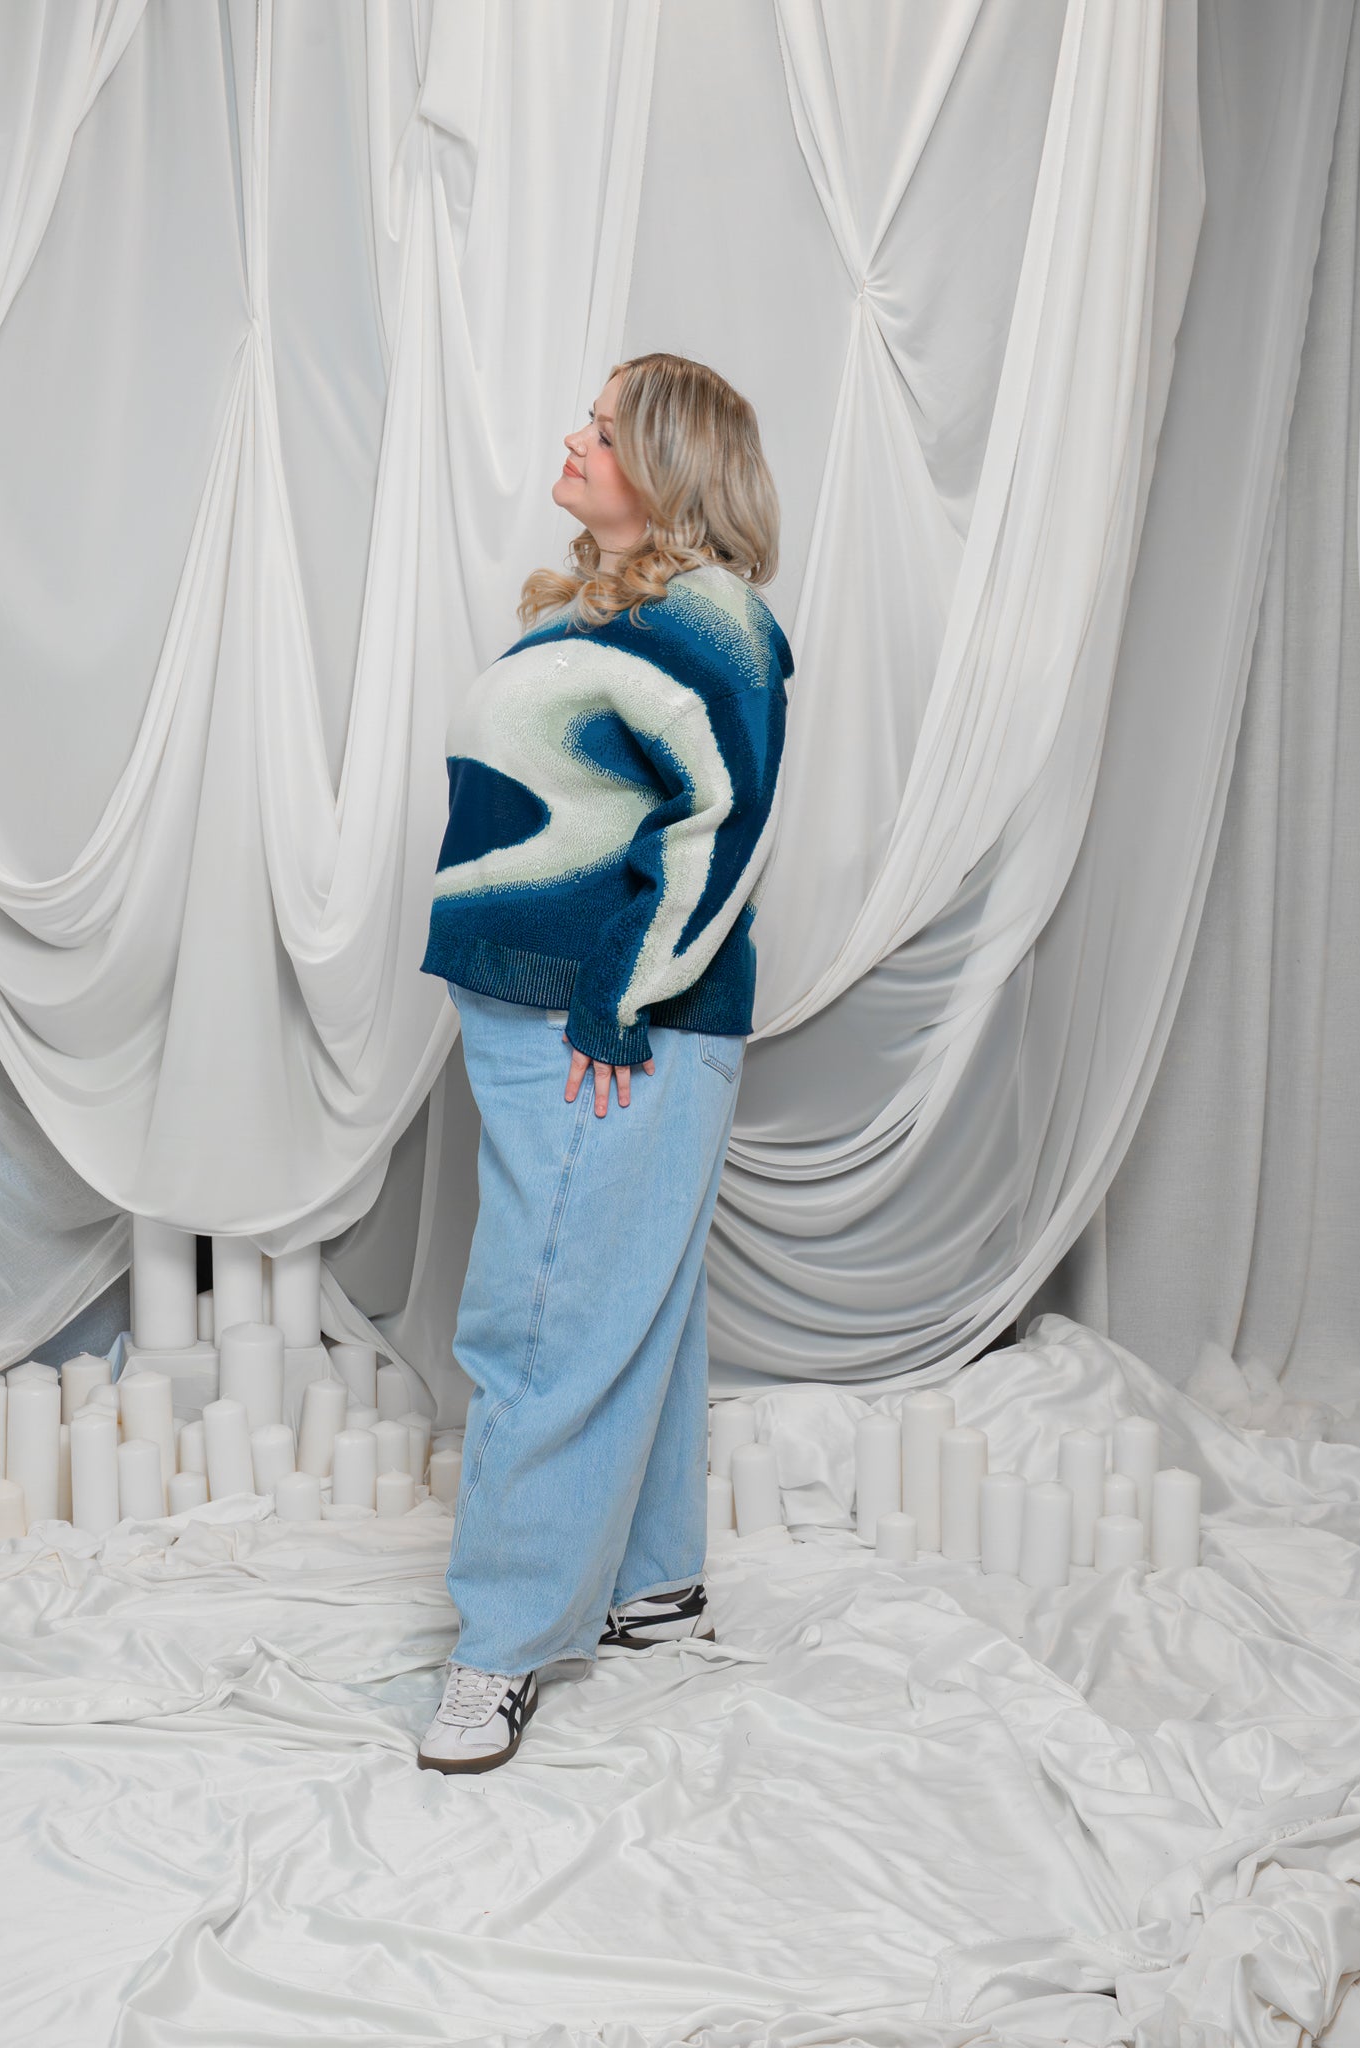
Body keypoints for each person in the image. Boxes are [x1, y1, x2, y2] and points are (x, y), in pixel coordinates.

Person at [414, 352, 791, 1773]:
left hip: (605, 1024)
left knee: (542, 1318)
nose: (574, 437)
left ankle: (502, 1645)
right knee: (636, 1290)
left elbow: (724, 830)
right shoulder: (601, 610)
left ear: (673, 467)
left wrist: (621, 1002)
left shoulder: (715, 623)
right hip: (550, 1008)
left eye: (607, 426)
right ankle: (656, 1580)